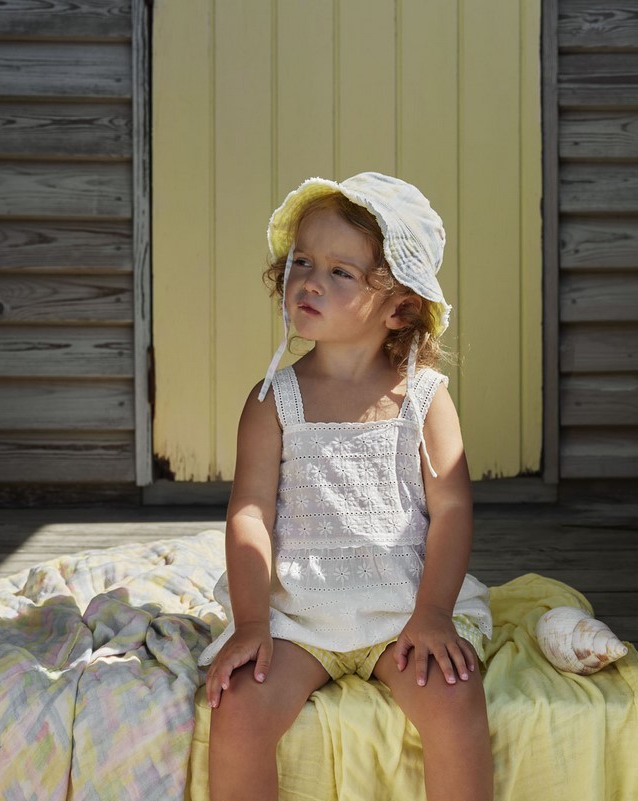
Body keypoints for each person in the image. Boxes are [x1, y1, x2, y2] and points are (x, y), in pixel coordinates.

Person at [199, 173, 495, 801]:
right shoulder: (272, 401)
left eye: (341, 272)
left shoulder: (423, 399)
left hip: (401, 608)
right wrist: (251, 622)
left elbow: (451, 510)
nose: (310, 281)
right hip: (298, 615)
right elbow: (249, 513)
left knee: (455, 698)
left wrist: (433, 613)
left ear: (399, 308)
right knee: (239, 709)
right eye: (303, 262)